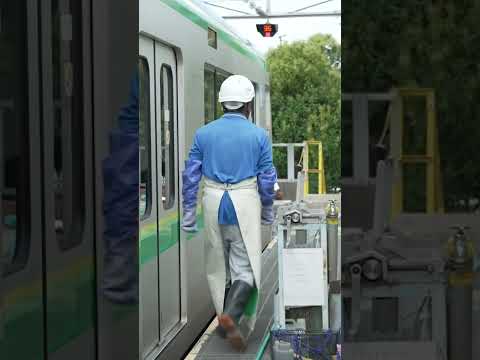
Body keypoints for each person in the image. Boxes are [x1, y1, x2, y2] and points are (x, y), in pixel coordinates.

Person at [181, 75, 277, 350]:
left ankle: (226, 314)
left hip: (212, 203)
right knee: (245, 269)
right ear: (248, 104)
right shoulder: (259, 136)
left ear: (222, 103)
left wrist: (189, 213)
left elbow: (190, 176)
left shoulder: (203, 134)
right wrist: (268, 211)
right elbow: (267, 179)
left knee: (216, 267)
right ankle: (232, 318)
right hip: (244, 204)